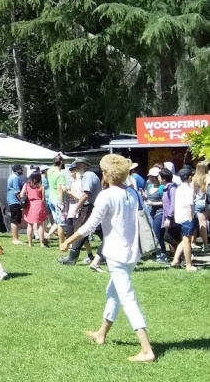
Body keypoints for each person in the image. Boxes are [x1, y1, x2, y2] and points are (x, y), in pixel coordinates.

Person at [59, 154, 155, 362]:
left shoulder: (107, 195)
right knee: (113, 292)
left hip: (117, 254)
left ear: (105, 173)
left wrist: (68, 242)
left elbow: (90, 226)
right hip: (133, 253)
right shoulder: (132, 192)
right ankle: (101, 333)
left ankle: (147, 350)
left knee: (127, 299)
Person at [59, 157, 102, 265]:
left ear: (83, 165)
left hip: (91, 207)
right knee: (100, 232)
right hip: (95, 206)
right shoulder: (90, 175)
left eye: (77, 165)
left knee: (82, 230)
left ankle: (72, 258)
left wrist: (77, 207)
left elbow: (86, 194)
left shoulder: (87, 176)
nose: (76, 168)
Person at [171, 167, 197, 270]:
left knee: (184, 240)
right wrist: (190, 219)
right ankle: (189, 265)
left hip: (179, 217)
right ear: (190, 177)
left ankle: (175, 260)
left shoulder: (179, 188)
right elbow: (189, 205)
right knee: (187, 241)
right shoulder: (188, 189)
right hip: (186, 217)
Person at [20, 171, 47, 246]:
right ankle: (42, 244)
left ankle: (30, 243)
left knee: (29, 224)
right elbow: (43, 198)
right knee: (41, 225)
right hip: (39, 204)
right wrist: (45, 208)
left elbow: (21, 194)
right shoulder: (41, 186)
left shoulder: (26, 185)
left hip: (30, 205)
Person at [6, 164, 24, 245]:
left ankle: (15, 238)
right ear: (17, 170)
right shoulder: (15, 178)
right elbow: (16, 191)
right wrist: (21, 200)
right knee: (15, 220)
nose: (22, 170)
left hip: (11, 200)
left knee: (14, 219)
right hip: (14, 200)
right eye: (21, 169)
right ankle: (15, 239)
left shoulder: (11, 176)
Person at [193, 162, 208, 253]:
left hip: (198, 203)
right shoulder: (208, 177)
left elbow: (193, 192)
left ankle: (205, 245)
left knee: (202, 224)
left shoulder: (194, 178)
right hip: (207, 202)